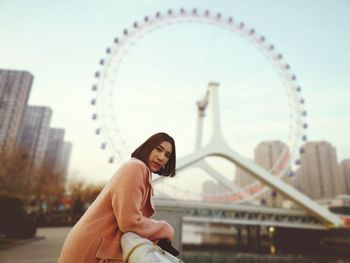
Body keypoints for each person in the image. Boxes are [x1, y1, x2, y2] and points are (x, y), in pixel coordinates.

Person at [58, 132, 176, 263]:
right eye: (158, 149)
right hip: (90, 247)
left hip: (92, 243)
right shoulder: (136, 168)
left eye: (167, 155)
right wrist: (165, 229)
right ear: (148, 147)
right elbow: (129, 221)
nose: (161, 157)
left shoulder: (139, 170)